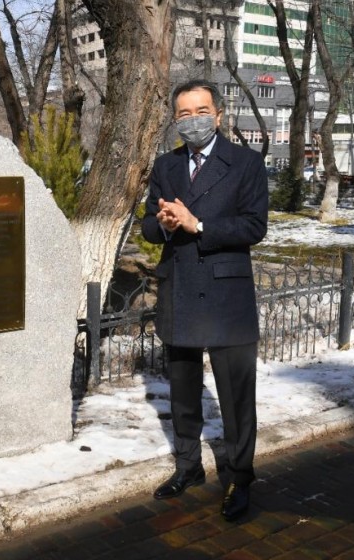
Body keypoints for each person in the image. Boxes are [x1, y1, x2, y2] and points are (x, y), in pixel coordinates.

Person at [141, 79, 269, 522]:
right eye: (183, 114)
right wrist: (164, 223)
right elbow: (148, 227)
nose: (192, 120)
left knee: (236, 398)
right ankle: (188, 467)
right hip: (179, 289)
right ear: (175, 120)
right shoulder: (166, 164)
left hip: (226, 293)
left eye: (201, 111)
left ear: (218, 115)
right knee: (182, 392)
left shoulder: (246, 162)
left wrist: (198, 225)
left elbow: (254, 227)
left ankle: (240, 477)